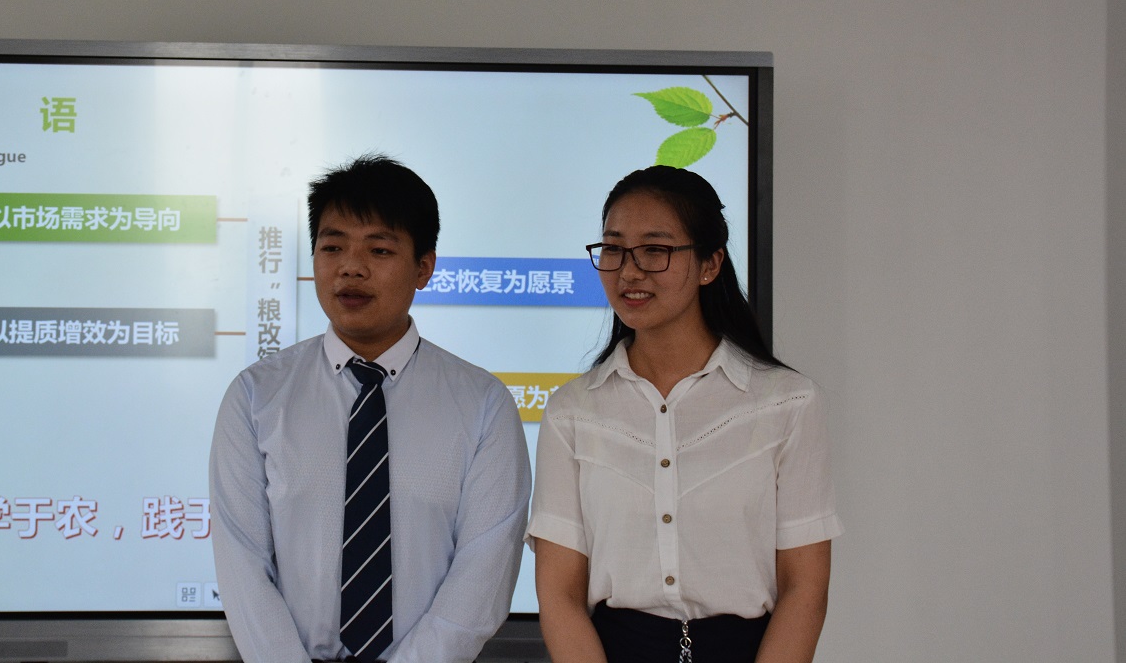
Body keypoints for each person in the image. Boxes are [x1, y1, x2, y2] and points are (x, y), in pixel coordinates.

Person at [210, 154, 531, 663]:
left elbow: (483, 572)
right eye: (332, 247)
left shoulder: (483, 404)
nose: (350, 267)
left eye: (379, 249)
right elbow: (242, 563)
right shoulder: (255, 396)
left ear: (424, 267)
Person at [528, 166, 841, 663]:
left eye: (655, 250)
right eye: (613, 249)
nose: (629, 271)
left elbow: (805, 590)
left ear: (710, 264)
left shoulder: (788, 403)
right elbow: (559, 595)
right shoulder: (573, 412)